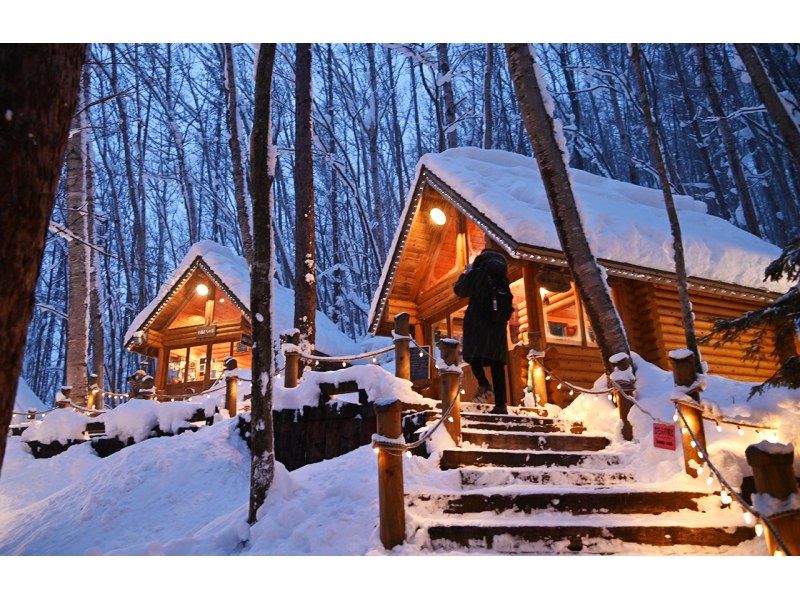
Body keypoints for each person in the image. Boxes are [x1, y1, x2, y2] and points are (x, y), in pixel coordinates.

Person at [454, 248, 514, 414]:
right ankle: (501, 406)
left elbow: (460, 290)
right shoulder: (502, 278)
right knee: (497, 365)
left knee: (473, 357)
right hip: (497, 329)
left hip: (477, 326)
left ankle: (484, 384)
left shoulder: (478, 273)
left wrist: (465, 273)